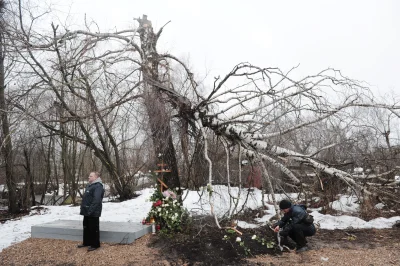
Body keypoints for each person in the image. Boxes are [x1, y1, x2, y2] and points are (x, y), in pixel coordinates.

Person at [77, 171, 105, 251]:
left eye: (90, 176)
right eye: (89, 176)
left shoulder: (98, 186)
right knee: (86, 227)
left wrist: (90, 210)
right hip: (87, 211)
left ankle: (95, 245)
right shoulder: (90, 186)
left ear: (96, 177)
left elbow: (96, 200)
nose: (88, 177)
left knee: (93, 228)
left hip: (93, 212)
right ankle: (86, 242)